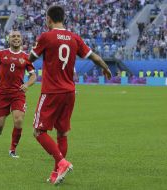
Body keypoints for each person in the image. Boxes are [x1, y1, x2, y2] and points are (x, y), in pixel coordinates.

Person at [28, 5, 112, 185]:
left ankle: (62, 162)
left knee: (38, 131)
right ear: (63, 18)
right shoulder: (75, 38)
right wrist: (106, 68)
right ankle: (55, 173)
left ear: (49, 19)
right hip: (69, 92)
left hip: (51, 91)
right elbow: (94, 57)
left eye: (46, 19)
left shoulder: (46, 36)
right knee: (62, 133)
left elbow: (31, 58)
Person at [0, 30, 37, 158]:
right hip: (1, 94)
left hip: (18, 94)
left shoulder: (26, 57)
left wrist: (27, 84)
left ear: (21, 39)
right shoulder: (1, 54)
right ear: (9, 39)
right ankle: (0, 127)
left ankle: (12, 149)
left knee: (18, 120)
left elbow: (34, 76)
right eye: (13, 36)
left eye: (18, 36)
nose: (16, 38)